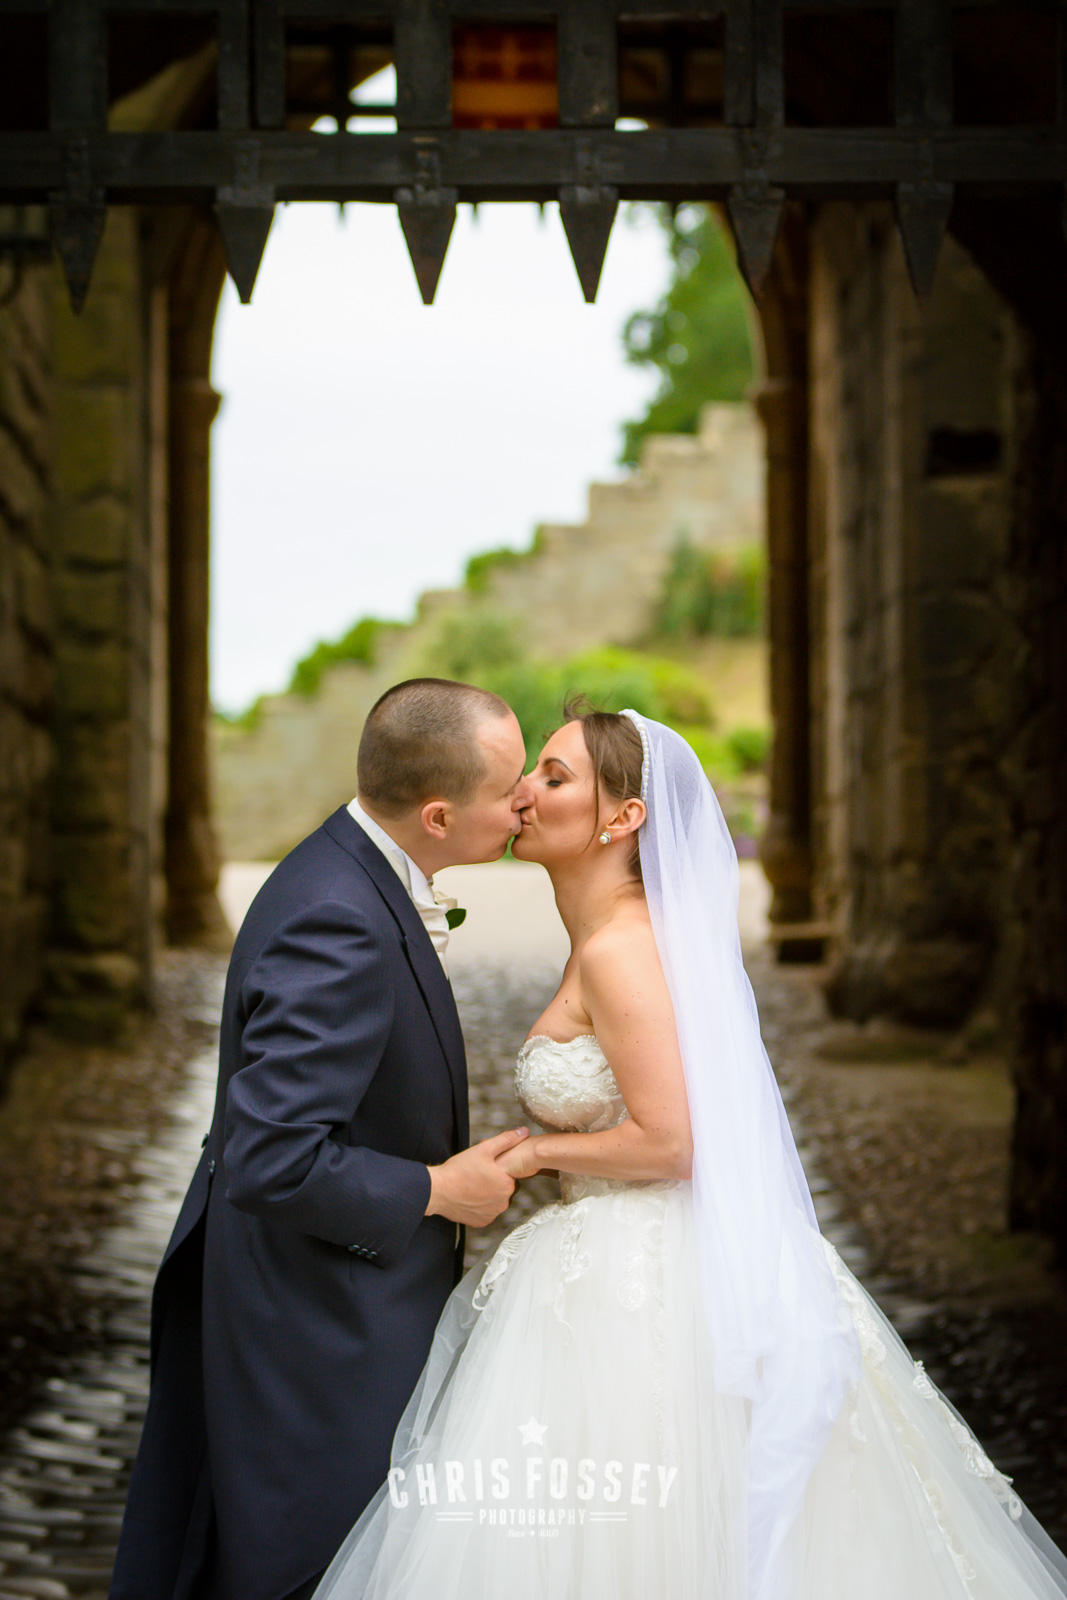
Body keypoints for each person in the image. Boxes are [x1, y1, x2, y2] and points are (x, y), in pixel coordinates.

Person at [312, 706, 1067, 1600]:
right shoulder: (601, 940)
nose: (522, 793)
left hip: (649, 1274)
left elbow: (673, 1142)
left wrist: (528, 1157)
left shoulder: (622, 952)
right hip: (618, 1253)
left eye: (553, 778)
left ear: (622, 818)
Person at [110, 679, 534, 1600]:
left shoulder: (345, 870)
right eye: (508, 790)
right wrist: (435, 1190)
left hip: (314, 1298)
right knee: (311, 1566)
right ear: (435, 814)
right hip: (312, 1325)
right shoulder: (338, 916)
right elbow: (271, 1155)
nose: (525, 802)